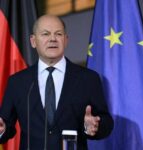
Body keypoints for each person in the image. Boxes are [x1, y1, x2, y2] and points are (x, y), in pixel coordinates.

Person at [0, 14, 114, 150]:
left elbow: (106, 122)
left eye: (58, 34)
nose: (52, 39)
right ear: (33, 41)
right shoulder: (17, 82)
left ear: (66, 40)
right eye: (45, 34)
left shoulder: (88, 78)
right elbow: (6, 125)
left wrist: (94, 126)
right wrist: (2, 129)